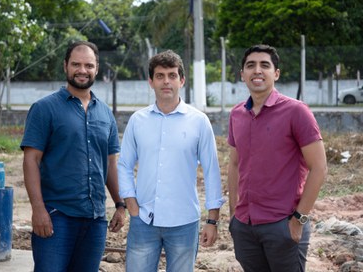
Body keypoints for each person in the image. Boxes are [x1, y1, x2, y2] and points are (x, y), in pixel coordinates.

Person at [20, 40, 125, 272]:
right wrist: (38, 209)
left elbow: (110, 164)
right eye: (76, 64)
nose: (82, 70)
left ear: (97, 68)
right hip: (56, 216)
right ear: (65, 65)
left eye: (88, 65)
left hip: (95, 219)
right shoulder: (44, 108)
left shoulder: (106, 113)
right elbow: (31, 160)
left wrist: (120, 204)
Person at [118, 50, 225, 272]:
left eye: (172, 75)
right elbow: (125, 165)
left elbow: (212, 171)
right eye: (160, 76)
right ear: (151, 81)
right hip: (143, 220)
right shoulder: (138, 121)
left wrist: (212, 220)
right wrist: (132, 206)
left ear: (182, 80)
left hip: (184, 223)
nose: (166, 81)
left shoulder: (199, 122)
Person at [227, 44, 327, 272]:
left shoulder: (296, 111)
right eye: (250, 65)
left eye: (265, 65)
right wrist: (234, 215)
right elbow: (234, 164)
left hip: (282, 225)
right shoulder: (237, 114)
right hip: (245, 226)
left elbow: (319, 168)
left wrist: (299, 219)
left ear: (276, 73)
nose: (257, 71)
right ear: (242, 74)